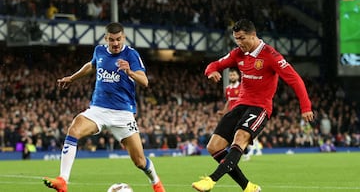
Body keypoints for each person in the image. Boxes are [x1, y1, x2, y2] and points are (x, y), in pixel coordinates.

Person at [191, 19, 314, 192]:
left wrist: (306, 106)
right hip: (240, 105)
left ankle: (211, 180)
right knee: (213, 146)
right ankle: (248, 187)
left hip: (260, 107)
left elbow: (295, 79)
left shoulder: (271, 55)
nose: (239, 43)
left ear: (253, 35)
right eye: (236, 39)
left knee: (240, 138)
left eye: (242, 38)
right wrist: (211, 71)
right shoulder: (237, 54)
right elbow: (215, 64)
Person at [43, 22, 166, 192]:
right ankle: (63, 180)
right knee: (74, 129)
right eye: (112, 39)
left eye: (119, 39)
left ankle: (156, 183)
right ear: (106, 38)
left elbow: (144, 81)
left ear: (124, 37)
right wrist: (72, 78)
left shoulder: (131, 54)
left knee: (139, 161)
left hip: (123, 114)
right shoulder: (99, 51)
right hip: (98, 110)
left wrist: (130, 72)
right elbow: (91, 66)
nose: (115, 43)